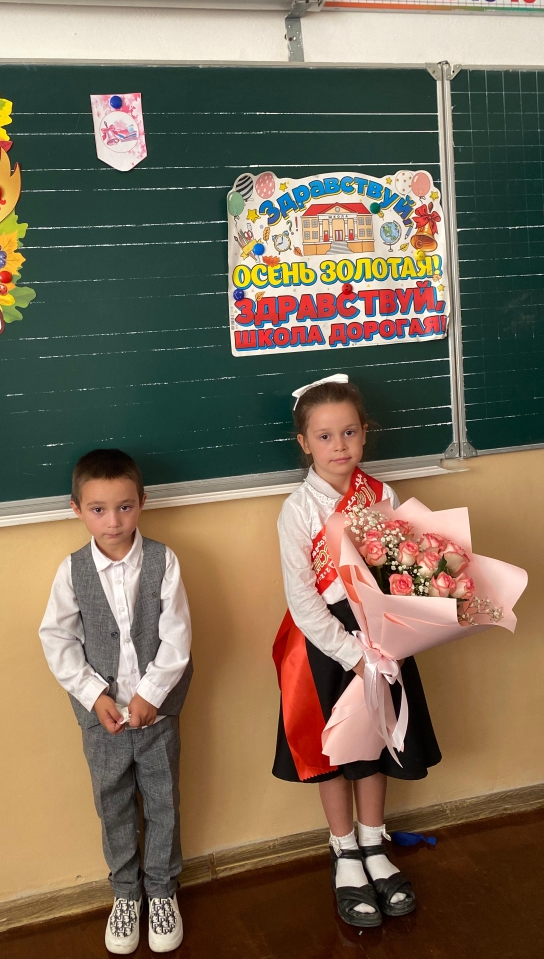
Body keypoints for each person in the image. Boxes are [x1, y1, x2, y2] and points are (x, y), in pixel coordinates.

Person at [272, 374, 441, 928]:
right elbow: (302, 600)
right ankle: (344, 850)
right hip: (327, 645)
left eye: (349, 432)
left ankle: (373, 841)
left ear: (365, 433)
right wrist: (353, 654)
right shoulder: (297, 510)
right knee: (334, 751)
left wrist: (397, 635)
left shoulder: (381, 494)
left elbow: (398, 573)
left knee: (377, 740)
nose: (339, 446)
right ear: (304, 443)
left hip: (381, 635)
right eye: (325, 436)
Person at [40, 449, 192, 954]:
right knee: (114, 806)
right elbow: (57, 639)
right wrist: (93, 695)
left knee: (163, 802)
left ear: (142, 502)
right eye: (98, 509)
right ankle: (126, 893)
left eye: (125, 507)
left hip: (158, 715)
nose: (113, 521)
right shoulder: (73, 571)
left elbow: (177, 638)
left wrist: (150, 694)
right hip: (101, 720)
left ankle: (162, 890)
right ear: (77, 509)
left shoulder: (164, 561)